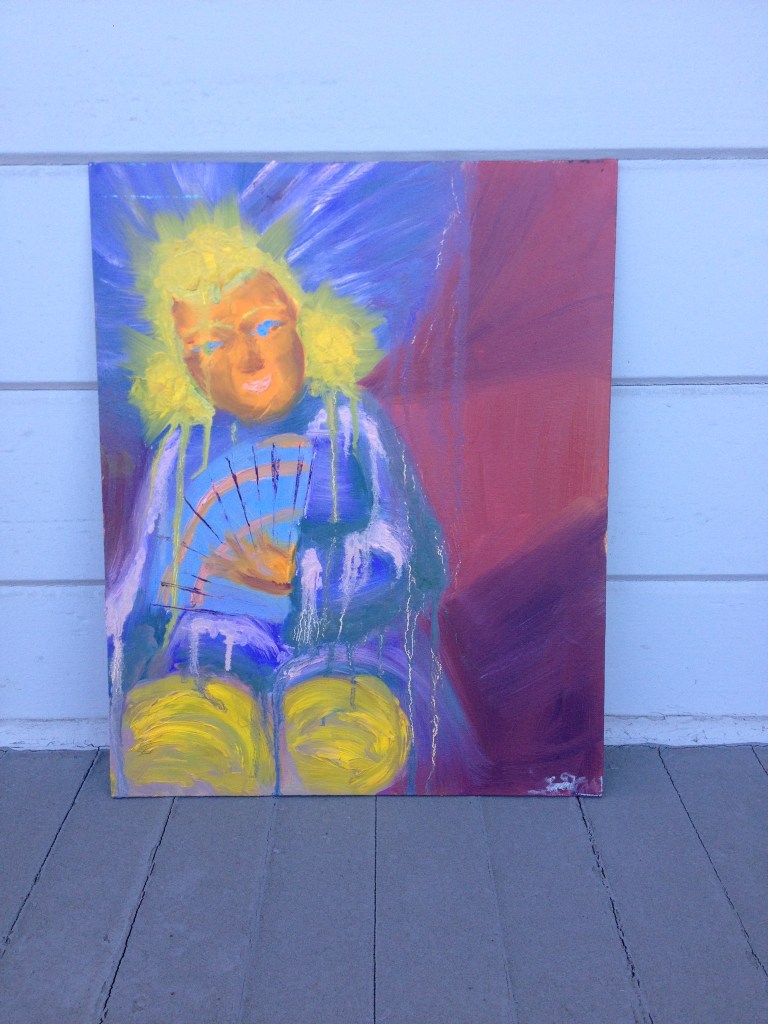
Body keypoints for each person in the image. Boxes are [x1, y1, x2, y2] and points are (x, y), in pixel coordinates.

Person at [106, 204, 473, 797]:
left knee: (338, 740)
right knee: (178, 745)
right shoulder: (180, 449)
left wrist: (303, 572)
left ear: (303, 323)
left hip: (345, 659)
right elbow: (139, 587)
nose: (248, 359)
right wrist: (118, 651)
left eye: (265, 328)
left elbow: (415, 557)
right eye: (211, 342)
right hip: (208, 666)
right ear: (185, 364)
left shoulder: (348, 424)